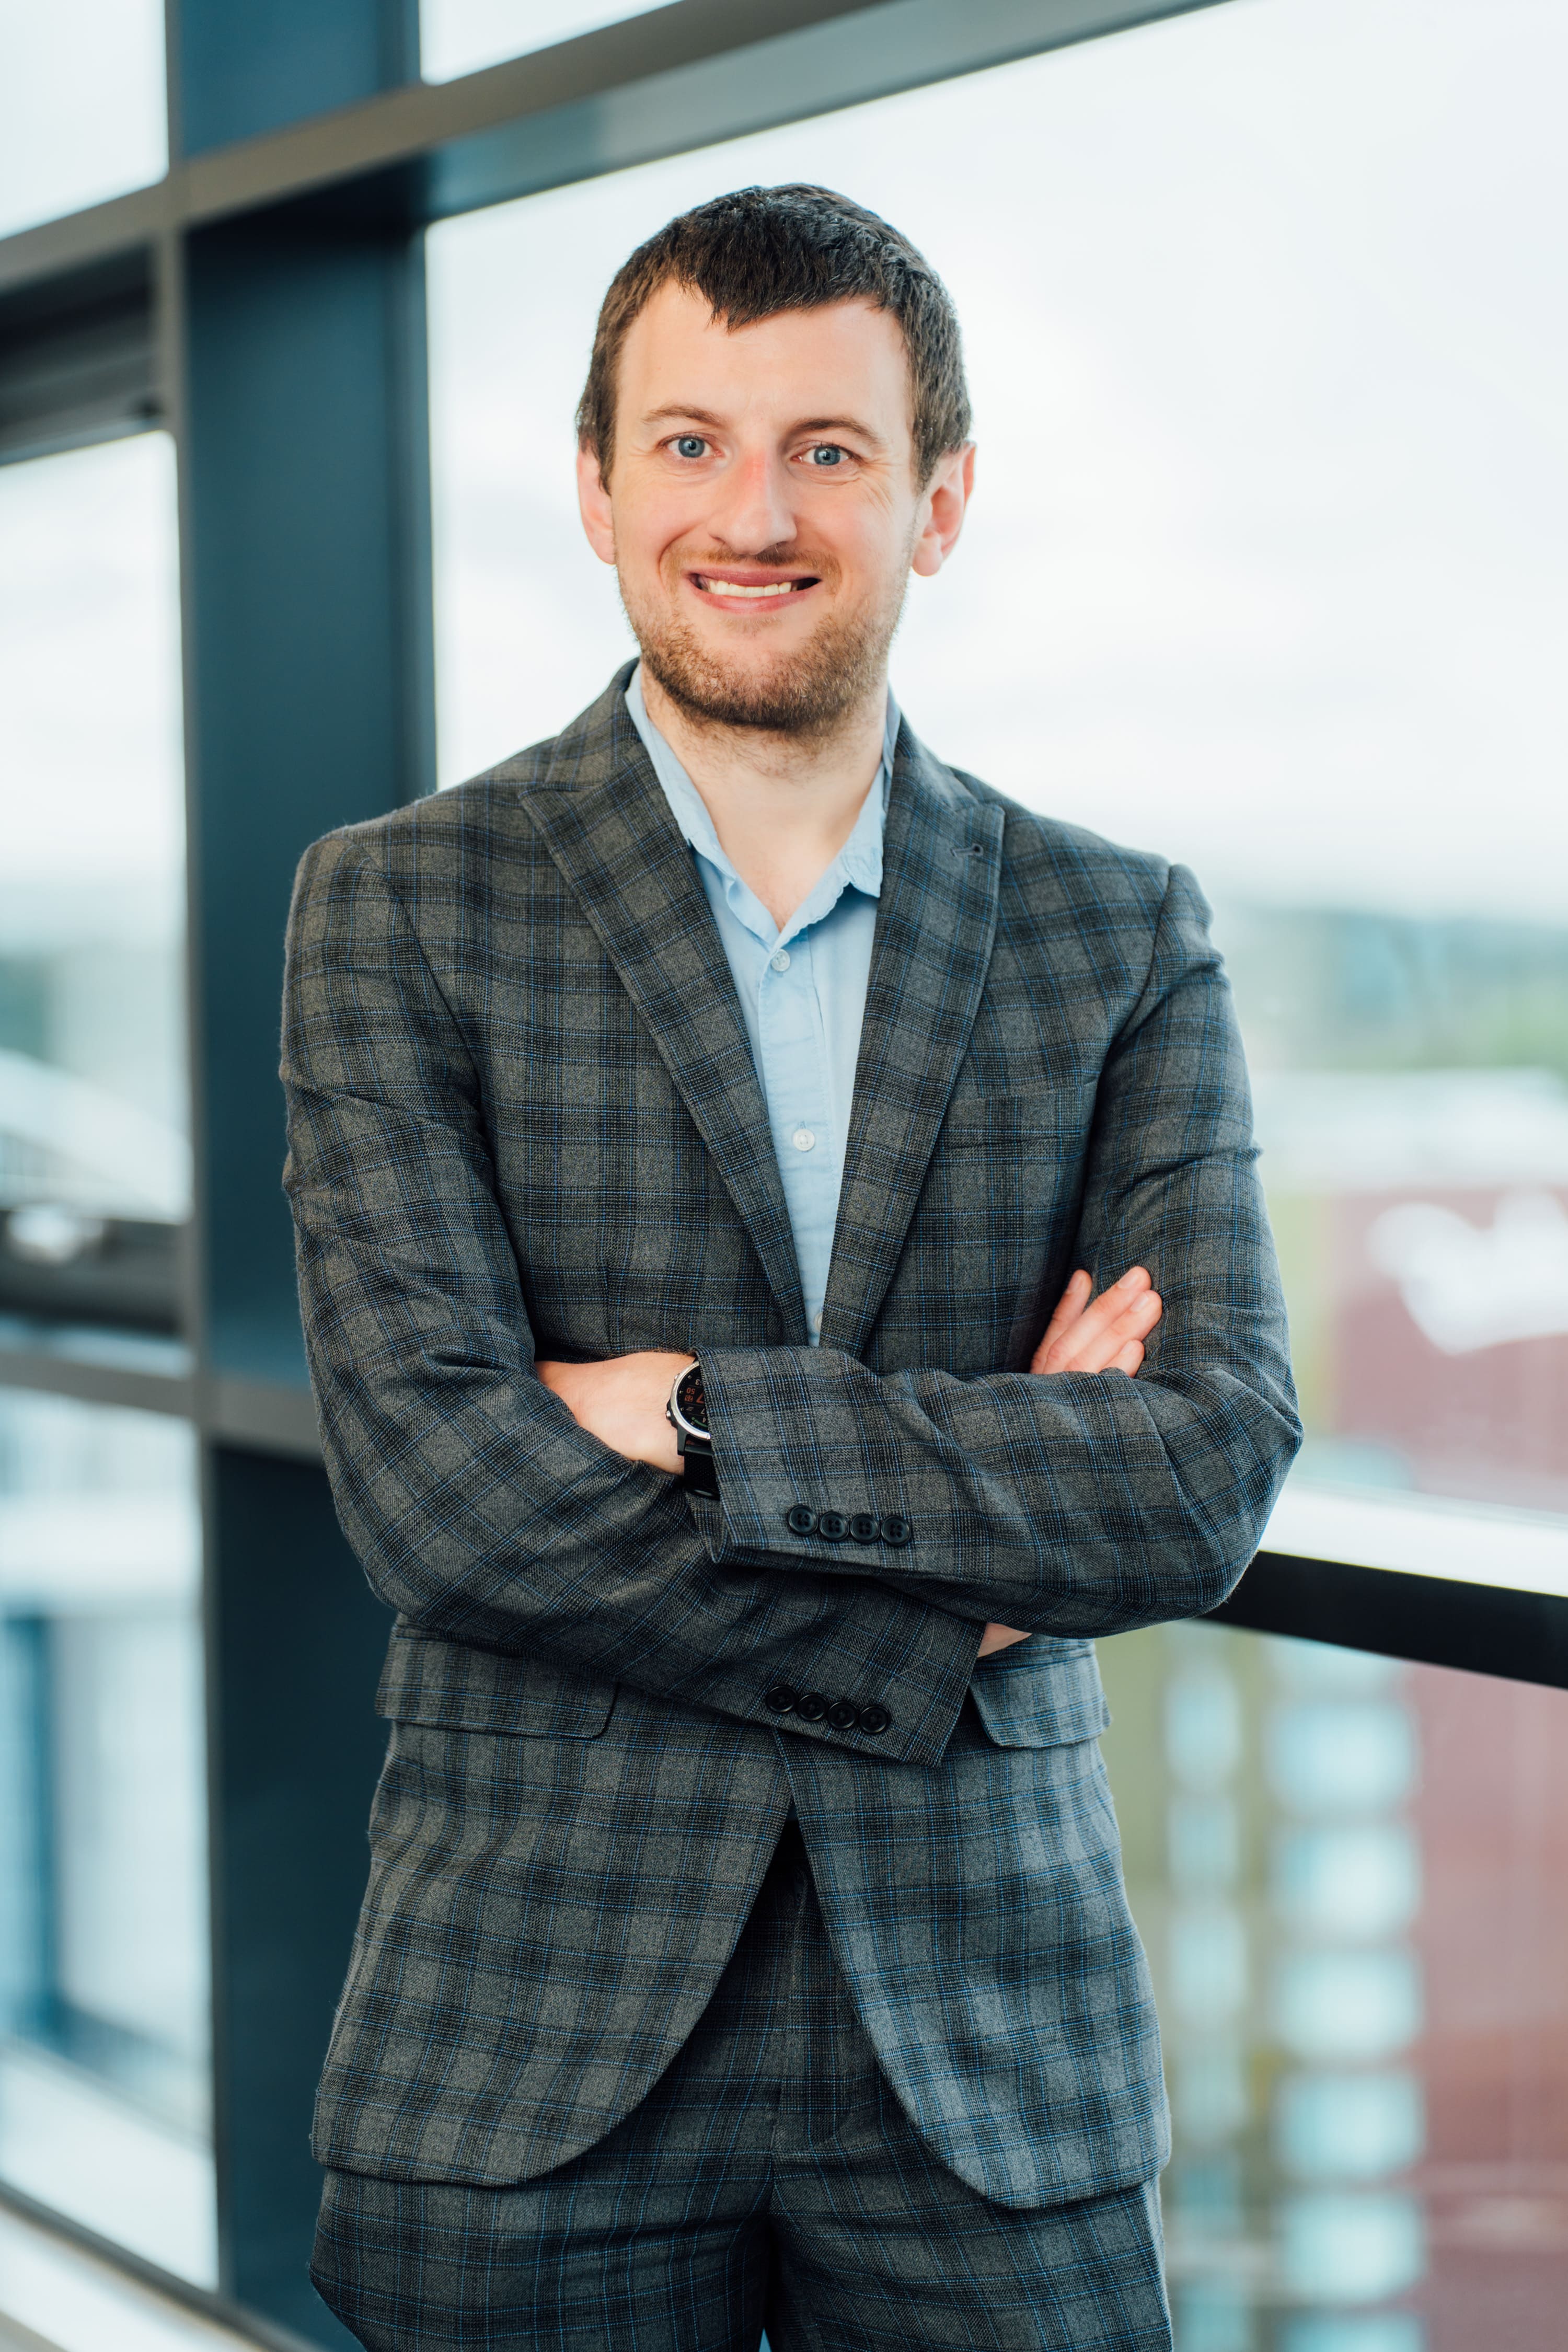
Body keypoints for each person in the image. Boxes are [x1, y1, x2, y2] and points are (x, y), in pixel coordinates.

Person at [283, 184, 1299, 2352]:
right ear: (593, 485)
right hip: (524, 2025)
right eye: (689, 442)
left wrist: (689, 1409)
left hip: (987, 2047)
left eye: (828, 449)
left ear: (938, 502)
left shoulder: (1119, 935)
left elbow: (1204, 1469)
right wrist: (953, 1592)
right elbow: (437, 1489)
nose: (755, 510)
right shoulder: (396, 909)